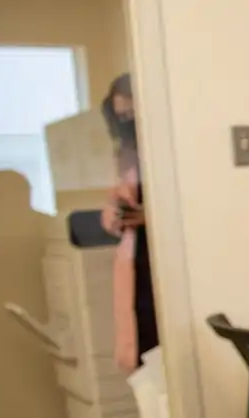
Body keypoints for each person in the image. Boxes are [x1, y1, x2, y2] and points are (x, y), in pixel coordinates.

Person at [99, 73, 156, 375]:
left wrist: (154, 218)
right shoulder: (125, 153)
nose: (126, 123)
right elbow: (111, 209)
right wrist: (117, 213)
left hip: (160, 263)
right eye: (121, 117)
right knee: (145, 364)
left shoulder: (163, 150)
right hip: (136, 261)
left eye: (132, 116)